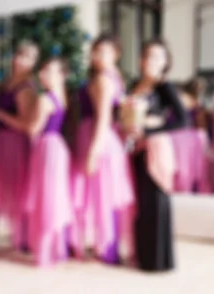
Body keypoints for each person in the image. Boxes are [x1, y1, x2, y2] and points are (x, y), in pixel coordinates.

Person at [0, 58, 72, 267]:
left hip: (46, 149)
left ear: (61, 75)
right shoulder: (61, 97)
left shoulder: (45, 99)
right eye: (43, 71)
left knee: (45, 198)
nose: (43, 75)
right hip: (57, 147)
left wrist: (4, 117)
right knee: (54, 197)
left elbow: (30, 129)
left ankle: (45, 252)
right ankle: (58, 249)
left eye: (49, 71)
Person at [71, 34, 135, 264]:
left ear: (116, 54)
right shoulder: (117, 78)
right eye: (95, 51)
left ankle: (108, 249)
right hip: (109, 139)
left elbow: (103, 118)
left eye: (104, 51)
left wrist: (93, 151)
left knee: (101, 195)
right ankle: (109, 248)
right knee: (108, 195)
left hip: (99, 139)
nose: (98, 56)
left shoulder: (103, 79)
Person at [128, 39, 186, 271]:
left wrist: (149, 130)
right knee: (140, 204)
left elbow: (183, 120)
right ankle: (142, 256)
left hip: (156, 149)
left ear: (165, 62)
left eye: (157, 57)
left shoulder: (164, 86)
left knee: (155, 201)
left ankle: (157, 261)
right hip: (135, 150)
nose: (151, 61)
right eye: (147, 55)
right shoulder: (135, 85)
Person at [0, 41, 38, 251]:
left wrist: (1, 115)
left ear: (33, 62)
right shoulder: (8, 82)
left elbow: (25, 124)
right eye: (18, 55)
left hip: (13, 142)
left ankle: (24, 238)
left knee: (15, 188)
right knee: (0, 186)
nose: (19, 60)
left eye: (26, 57)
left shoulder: (25, 87)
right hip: (0, 141)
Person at [170, 78, 210, 193]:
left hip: (190, 137)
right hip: (181, 136)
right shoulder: (184, 99)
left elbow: (201, 126)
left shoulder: (198, 106)